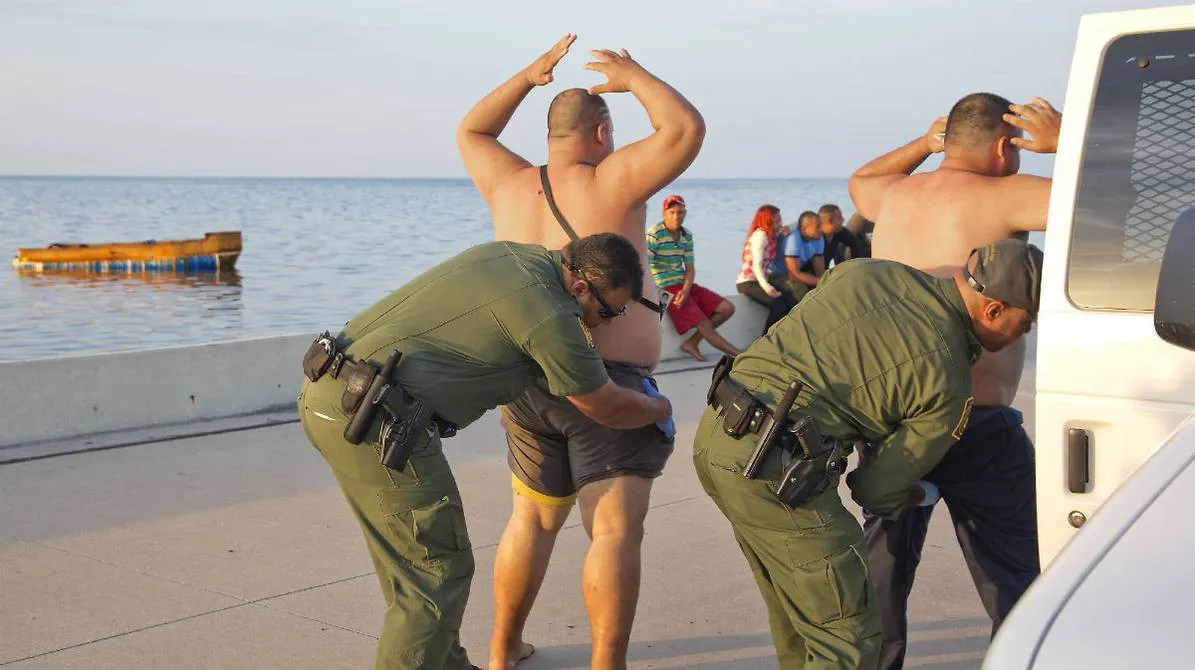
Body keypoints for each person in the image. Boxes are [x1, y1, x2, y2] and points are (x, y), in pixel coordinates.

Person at [298, 234, 672, 670]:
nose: (606, 324)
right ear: (581, 287)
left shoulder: (513, 253)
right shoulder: (553, 317)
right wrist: (659, 407)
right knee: (438, 573)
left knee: (412, 567)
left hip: (326, 391)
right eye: (608, 312)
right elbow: (604, 405)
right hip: (375, 419)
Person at [455, 34, 705, 670]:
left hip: (525, 384)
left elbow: (472, 130)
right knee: (613, 530)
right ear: (602, 132)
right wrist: (632, 74)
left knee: (531, 522)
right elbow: (684, 128)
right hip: (605, 385)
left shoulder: (509, 183)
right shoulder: (613, 179)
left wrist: (527, 76)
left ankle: (503, 650)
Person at [694, 238, 1043, 670]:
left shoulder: (865, 270)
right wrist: (913, 493)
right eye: (1025, 324)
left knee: (800, 622)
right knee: (848, 642)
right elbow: (876, 491)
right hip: (775, 471)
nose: (1024, 334)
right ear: (993, 310)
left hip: (717, 434)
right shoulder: (948, 384)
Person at [848, 92, 1061, 670]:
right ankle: (1020, 661)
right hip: (976, 417)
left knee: (883, 566)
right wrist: (1064, 142)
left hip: (892, 417)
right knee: (1015, 569)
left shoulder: (894, 196)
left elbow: (861, 181)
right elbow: (1110, 202)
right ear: (1004, 146)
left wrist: (924, 144)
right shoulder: (1005, 194)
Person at [646, 194, 741, 361]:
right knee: (704, 324)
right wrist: (653, 292)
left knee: (727, 308)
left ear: (685, 213)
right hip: (665, 288)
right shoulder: (655, 234)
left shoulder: (686, 235)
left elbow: (689, 268)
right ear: (664, 214)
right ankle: (741, 356)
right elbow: (644, 265)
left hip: (683, 284)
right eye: (672, 212)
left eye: (680, 212)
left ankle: (691, 343)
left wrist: (685, 290)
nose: (676, 216)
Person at [771, 209, 826, 304]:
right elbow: (794, 275)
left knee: (825, 288)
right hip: (777, 274)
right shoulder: (793, 239)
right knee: (802, 292)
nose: (822, 230)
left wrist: (826, 283)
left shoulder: (818, 237)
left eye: (821, 225)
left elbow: (820, 273)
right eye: (817, 227)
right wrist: (822, 281)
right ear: (804, 229)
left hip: (797, 271)